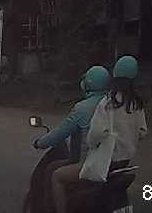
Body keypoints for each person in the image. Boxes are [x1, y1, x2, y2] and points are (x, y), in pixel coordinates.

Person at [34, 65, 111, 213]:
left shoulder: (82, 108)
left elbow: (60, 133)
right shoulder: (115, 105)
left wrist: (40, 143)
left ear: (87, 84)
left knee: (54, 174)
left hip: (89, 164)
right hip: (112, 163)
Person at [86, 56, 148, 172]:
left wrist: (91, 144)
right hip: (127, 160)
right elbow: (142, 132)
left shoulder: (108, 102)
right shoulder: (136, 104)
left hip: (107, 160)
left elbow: (97, 132)